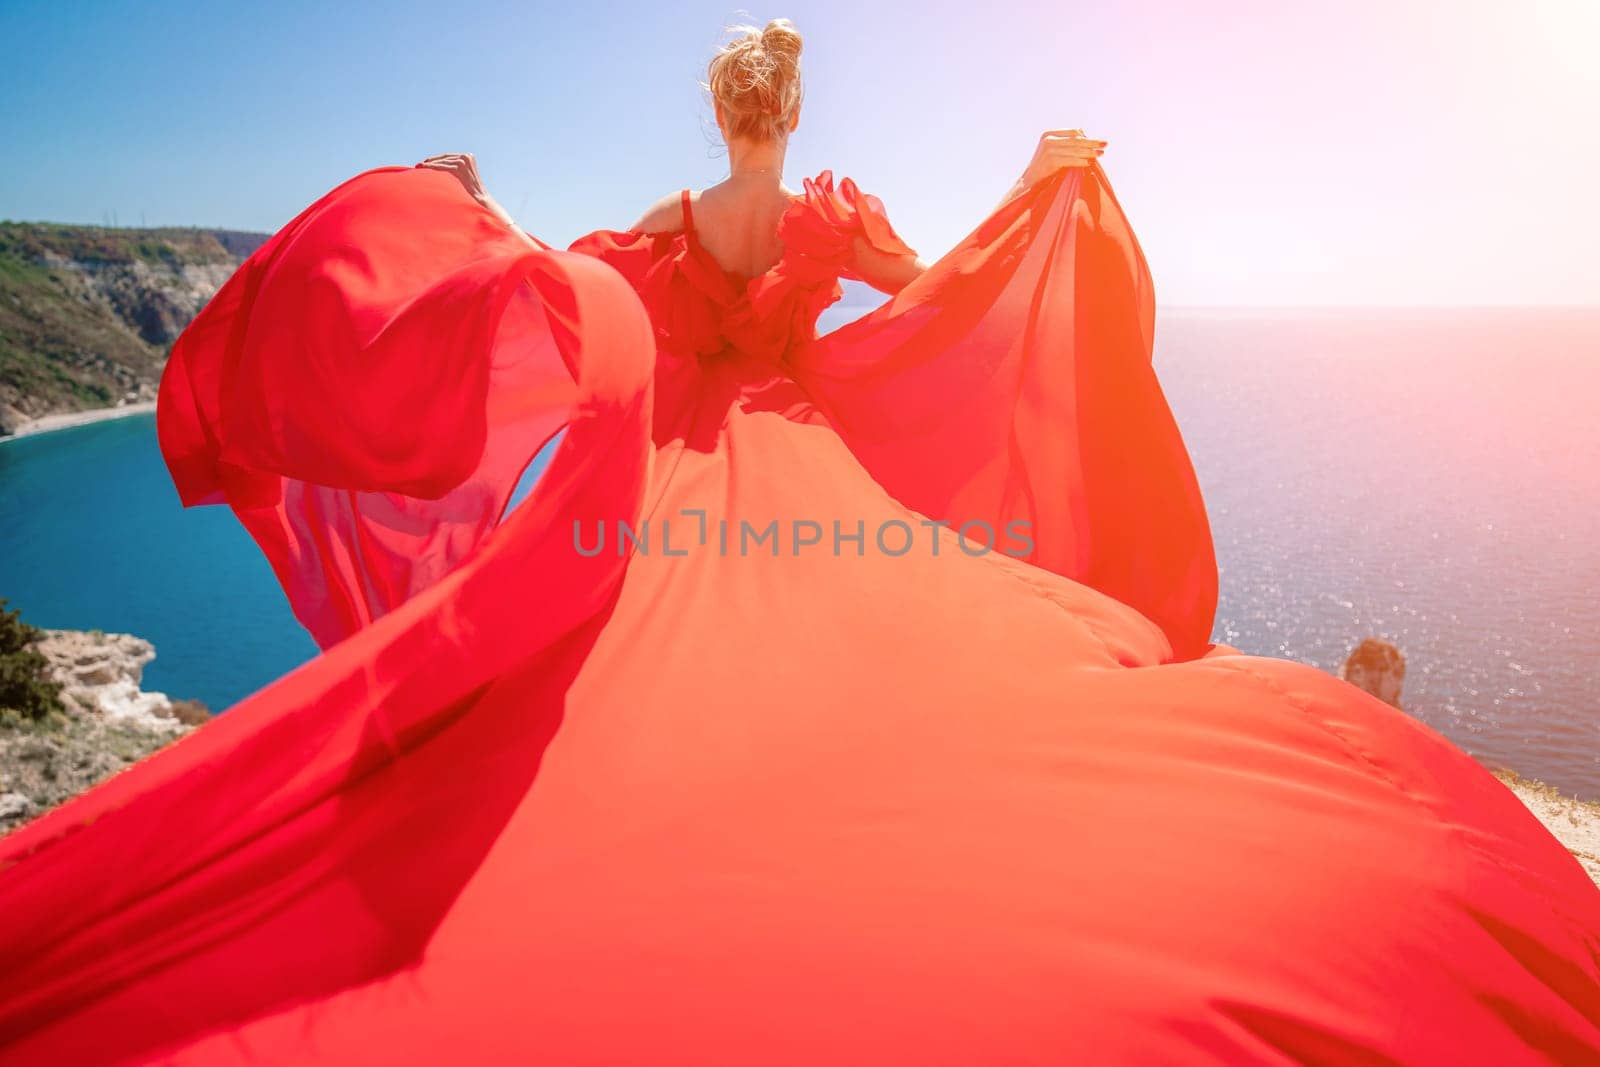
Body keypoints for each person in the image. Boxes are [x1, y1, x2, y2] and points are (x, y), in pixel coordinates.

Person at [0, 18, 1595, 1065]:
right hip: (808, 455)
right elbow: (928, 294)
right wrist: (1036, 193)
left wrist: (465, 212)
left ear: (718, 110)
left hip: (684, 470)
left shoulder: (669, 222)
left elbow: (569, 291)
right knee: (910, 653)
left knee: (590, 688)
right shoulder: (822, 216)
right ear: (795, 110)